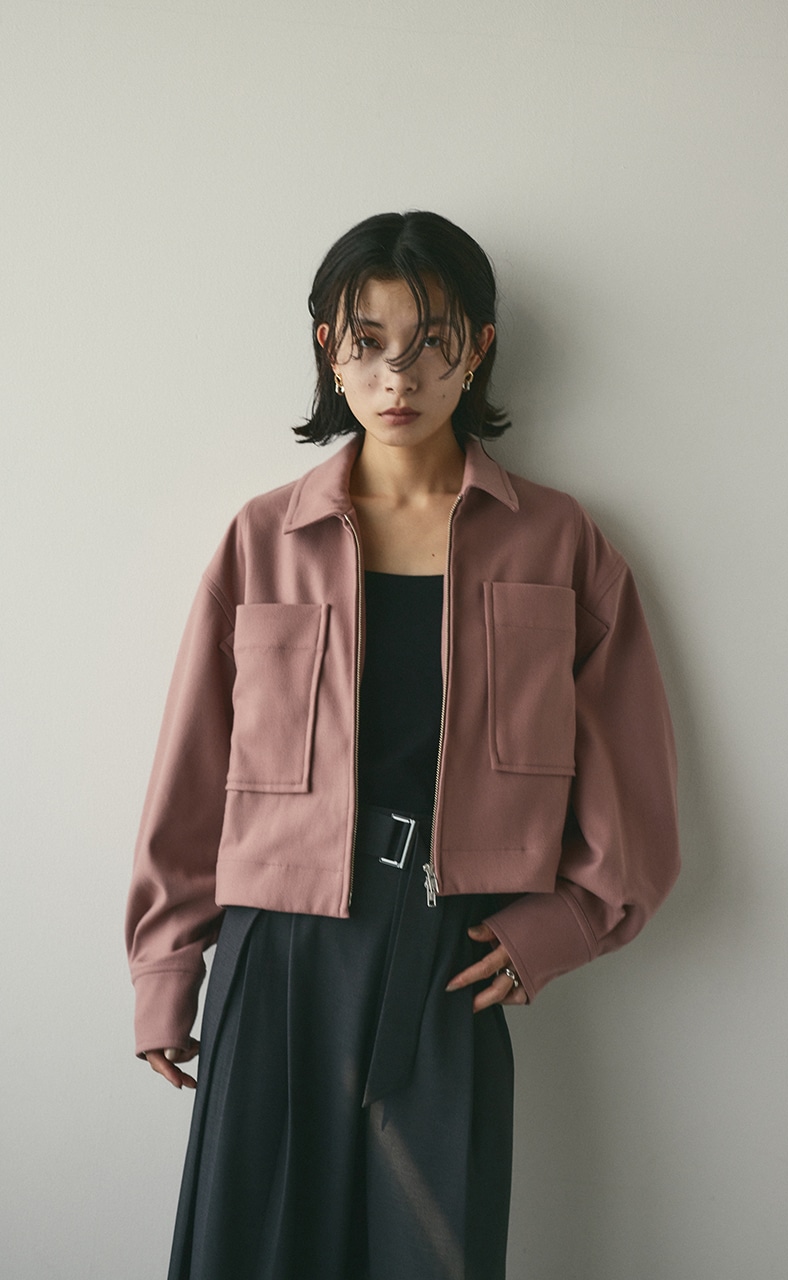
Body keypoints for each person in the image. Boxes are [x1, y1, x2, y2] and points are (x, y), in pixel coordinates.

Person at [125, 210, 680, 1280]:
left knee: (430, 1250)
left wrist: (568, 920)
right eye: (367, 342)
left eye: (431, 343)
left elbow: (637, 784)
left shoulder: (559, 542)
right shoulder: (263, 538)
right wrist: (166, 965)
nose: (398, 375)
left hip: (451, 948)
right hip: (277, 950)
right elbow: (192, 767)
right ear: (328, 351)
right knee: (256, 1248)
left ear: (477, 349)